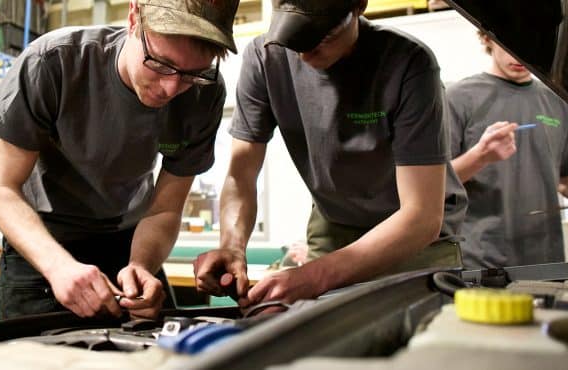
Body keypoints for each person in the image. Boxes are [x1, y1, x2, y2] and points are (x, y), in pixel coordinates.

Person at [194, 0, 469, 307]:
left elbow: (422, 216)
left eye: (322, 37)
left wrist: (315, 276)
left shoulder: (408, 64)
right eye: (293, 37)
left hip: (415, 239)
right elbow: (241, 173)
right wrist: (232, 246)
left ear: (359, 6)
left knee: (417, 337)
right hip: (333, 225)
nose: (304, 52)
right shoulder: (265, 57)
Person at [0, 0, 239, 320]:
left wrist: (141, 265)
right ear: (134, 18)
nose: (171, 88)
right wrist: (59, 267)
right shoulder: (53, 62)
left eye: (191, 74)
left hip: (129, 244)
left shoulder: (205, 93)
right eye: (160, 63)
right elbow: (1, 188)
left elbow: (165, 208)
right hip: (42, 245)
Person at [446, 31, 568, 268]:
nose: (521, 55)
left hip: (546, 261)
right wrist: (479, 157)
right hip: (481, 262)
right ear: (487, 37)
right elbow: (434, 184)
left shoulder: (560, 100)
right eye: (510, 43)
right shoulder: (458, 98)